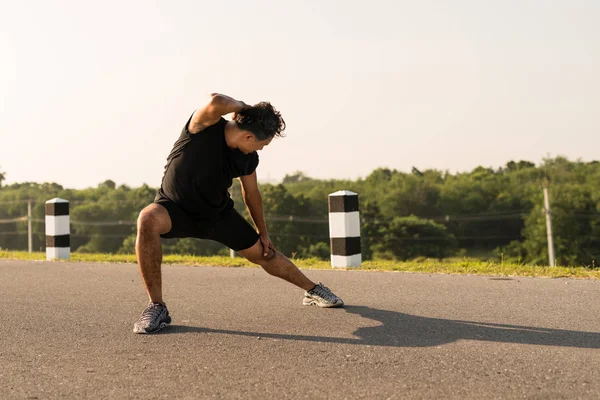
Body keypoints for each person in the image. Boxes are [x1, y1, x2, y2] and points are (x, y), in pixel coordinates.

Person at [133, 93, 344, 334]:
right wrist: (247, 109)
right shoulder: (204, 125)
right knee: (147, 218)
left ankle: (313, 290)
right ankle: (156, 306)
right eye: (262, 144)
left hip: (217, 215)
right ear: (248, 135)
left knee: (265, 254)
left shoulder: (247, 158)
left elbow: (251, 194)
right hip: (173, 208)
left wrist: (263, 233)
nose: (261, 149)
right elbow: (215, 100)